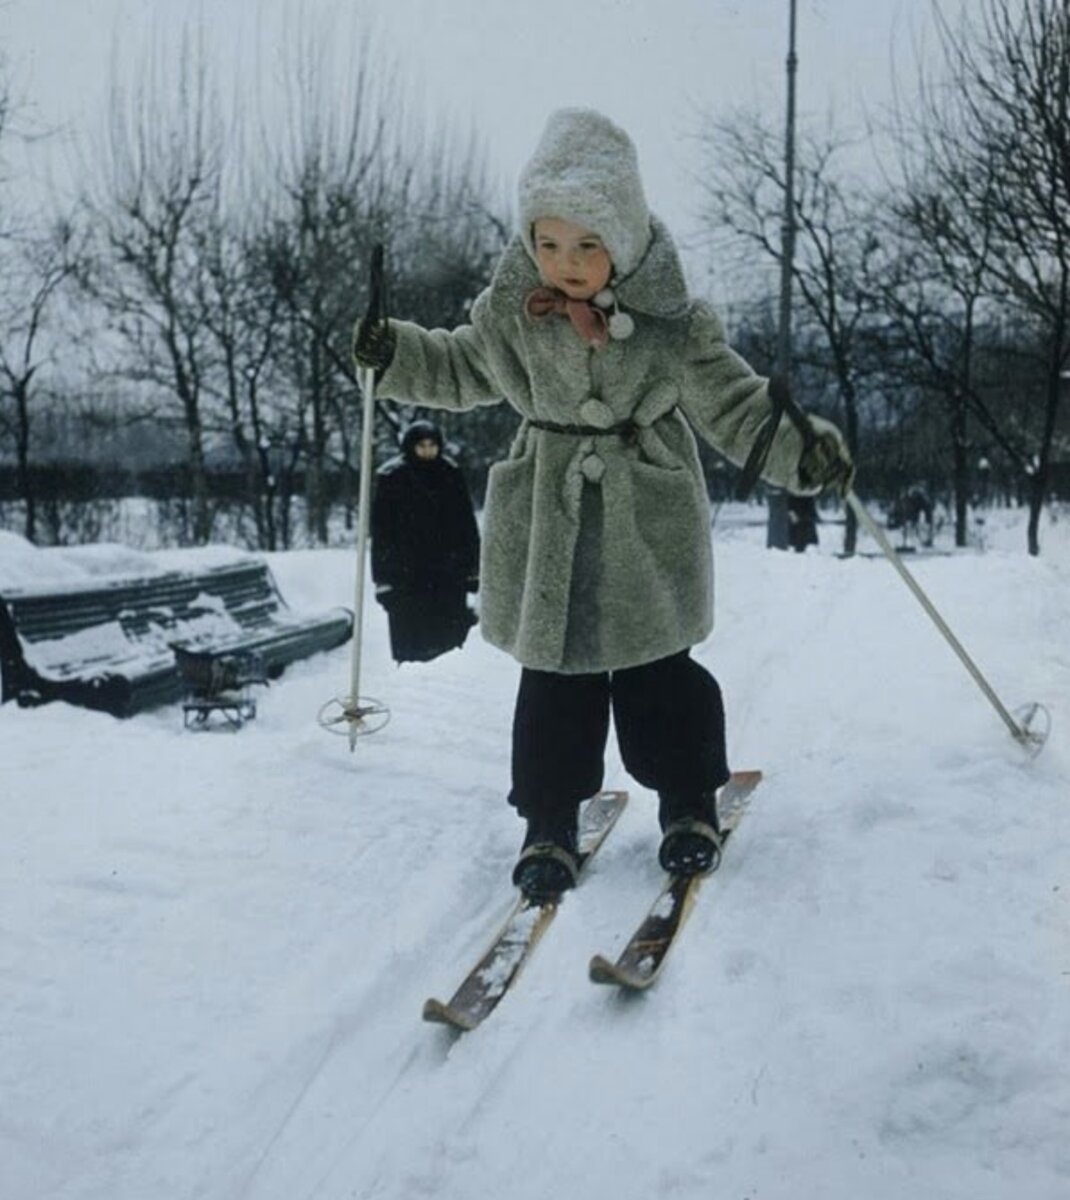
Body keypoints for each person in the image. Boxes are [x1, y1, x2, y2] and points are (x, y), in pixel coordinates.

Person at [354, 108, 853, 901]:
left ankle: (688, 801)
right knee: (553, 681)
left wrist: (803, 448)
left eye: (587, 245)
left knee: (659, 670)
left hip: (643, 512)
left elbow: (734, 404)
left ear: (621, 239)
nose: (566, 263)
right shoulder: (511, 315)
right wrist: (395, 352)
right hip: (545, 511)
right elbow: (454, 367)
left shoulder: (672, 326)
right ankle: (549, 818)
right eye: (548, 243)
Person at [371, 419, 480, 663]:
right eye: (422, 445)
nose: (428, 450)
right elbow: (382, 534)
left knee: (449, 646)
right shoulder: (393, 477)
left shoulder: (450, 473)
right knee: (414, 643)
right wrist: (384, 579)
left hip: (448, 569)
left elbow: (466, 523)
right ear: (411, 446)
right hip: (408, 571)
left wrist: (473, 567)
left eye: (432, 445)